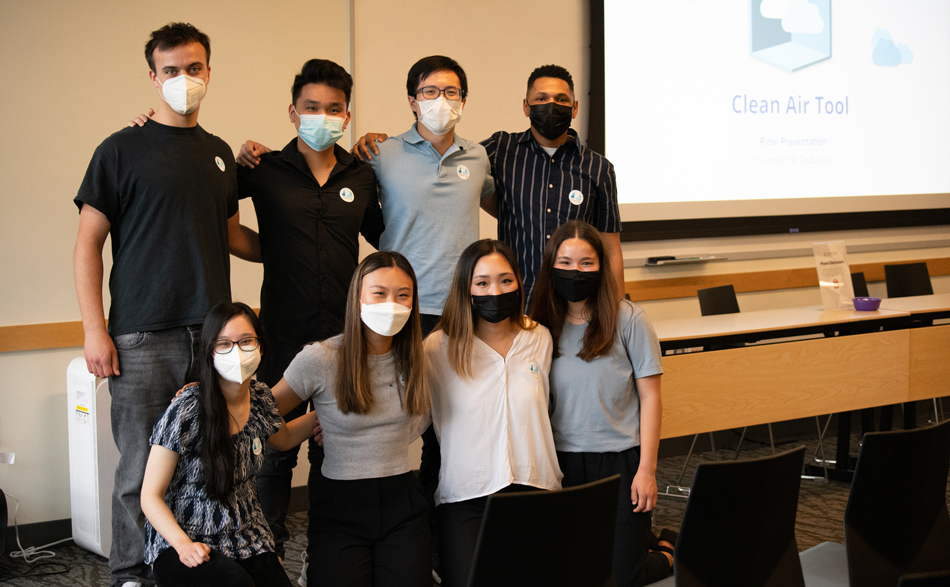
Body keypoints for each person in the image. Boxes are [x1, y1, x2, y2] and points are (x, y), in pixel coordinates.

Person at [73, 22, 238, 587]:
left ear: (209, 72)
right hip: (142, 336)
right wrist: (95, 330)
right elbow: (87, 245)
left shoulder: (219, 155)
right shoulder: (120, 149)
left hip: (213, 334)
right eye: (171, 71)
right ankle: (129, 573)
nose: (184, 79)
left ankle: (191, 563)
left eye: (194, 68)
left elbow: (233, 235)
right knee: (139, 468)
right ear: (153, 77)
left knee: (208, 459)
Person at [351, 64, 624, 307]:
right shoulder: (499, 149)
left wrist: (619, 310)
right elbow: (362, 208)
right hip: (511, 296)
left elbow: (611, 248)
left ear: (574, 108)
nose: (551, 106)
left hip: (573, 298)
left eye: (561, 99)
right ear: (526, 107)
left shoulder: (598, 168)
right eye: (541, 99)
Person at [265, 251, 432, 587]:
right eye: (380, 293)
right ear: (358, 298)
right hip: (339, 505)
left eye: (403, 295)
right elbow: (264, 413)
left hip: (403, 500)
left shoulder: (418, 356)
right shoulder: (320, 357)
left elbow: (423, 416)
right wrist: (322, 417)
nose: (392, 303)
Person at [530, 220, 673, 586]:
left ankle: (668, 551)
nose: (574, 271)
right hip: (561, 462)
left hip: (621, 461)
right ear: (550, 265)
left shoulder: (629, 319)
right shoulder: (538, 325)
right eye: (564, 262)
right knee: (572, 568)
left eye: (586, 263)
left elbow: (651, 397)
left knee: (625, 577)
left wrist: (647, 471)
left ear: (601, 267)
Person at [140, 302, 317, 587]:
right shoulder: (187, 409)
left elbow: (282, 439)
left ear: (260, 345)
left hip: (245, 531)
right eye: (224, 344)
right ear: (209, 352)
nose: (237, 351)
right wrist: (183, 545)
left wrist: (326, 417)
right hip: (185, 536)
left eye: (246, 341)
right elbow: (150, 495)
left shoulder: (260, 398)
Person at [424, 239, 563, 587]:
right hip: (467, 494)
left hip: (535, 486)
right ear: (466, 289)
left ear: (518, 282)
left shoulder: (540, 338)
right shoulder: (438, 348)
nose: (495, 291)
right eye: (482, 282)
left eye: (505, 280)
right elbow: (407, 411)